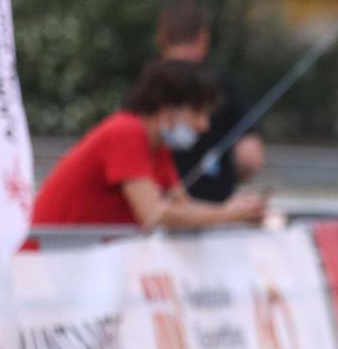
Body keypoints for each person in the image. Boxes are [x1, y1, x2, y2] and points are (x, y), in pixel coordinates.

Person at [31, 59, 267, 233]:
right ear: (167, 106)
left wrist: (236, 210)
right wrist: (229, 213)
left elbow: (183, 207)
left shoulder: (156, 146)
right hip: (50, 261)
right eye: (197, 113)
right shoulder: (126, 132)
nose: (204, 125)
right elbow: (152, 214)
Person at [154, 0, 264, 204]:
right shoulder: (221, 86)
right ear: (203, 40)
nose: (204, 125)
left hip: (158, 205)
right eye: (197, 113)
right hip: (207, 208)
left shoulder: (144, 86)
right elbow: (250, 158)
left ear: (161, 38)